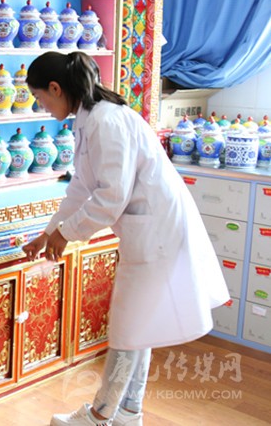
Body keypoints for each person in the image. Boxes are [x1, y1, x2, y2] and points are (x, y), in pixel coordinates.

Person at [22, 51, 229, 426]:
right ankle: (129, 411)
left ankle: (100, 414)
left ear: (55, 88)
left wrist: (66, 235)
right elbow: (81, 188)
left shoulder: (107, 121)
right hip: (146, 228)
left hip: (157, 230)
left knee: (129, 325)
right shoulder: (89, 120)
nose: (42, 106)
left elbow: (111, 197)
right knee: (138, 323)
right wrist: (49, 233)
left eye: (40, 97)